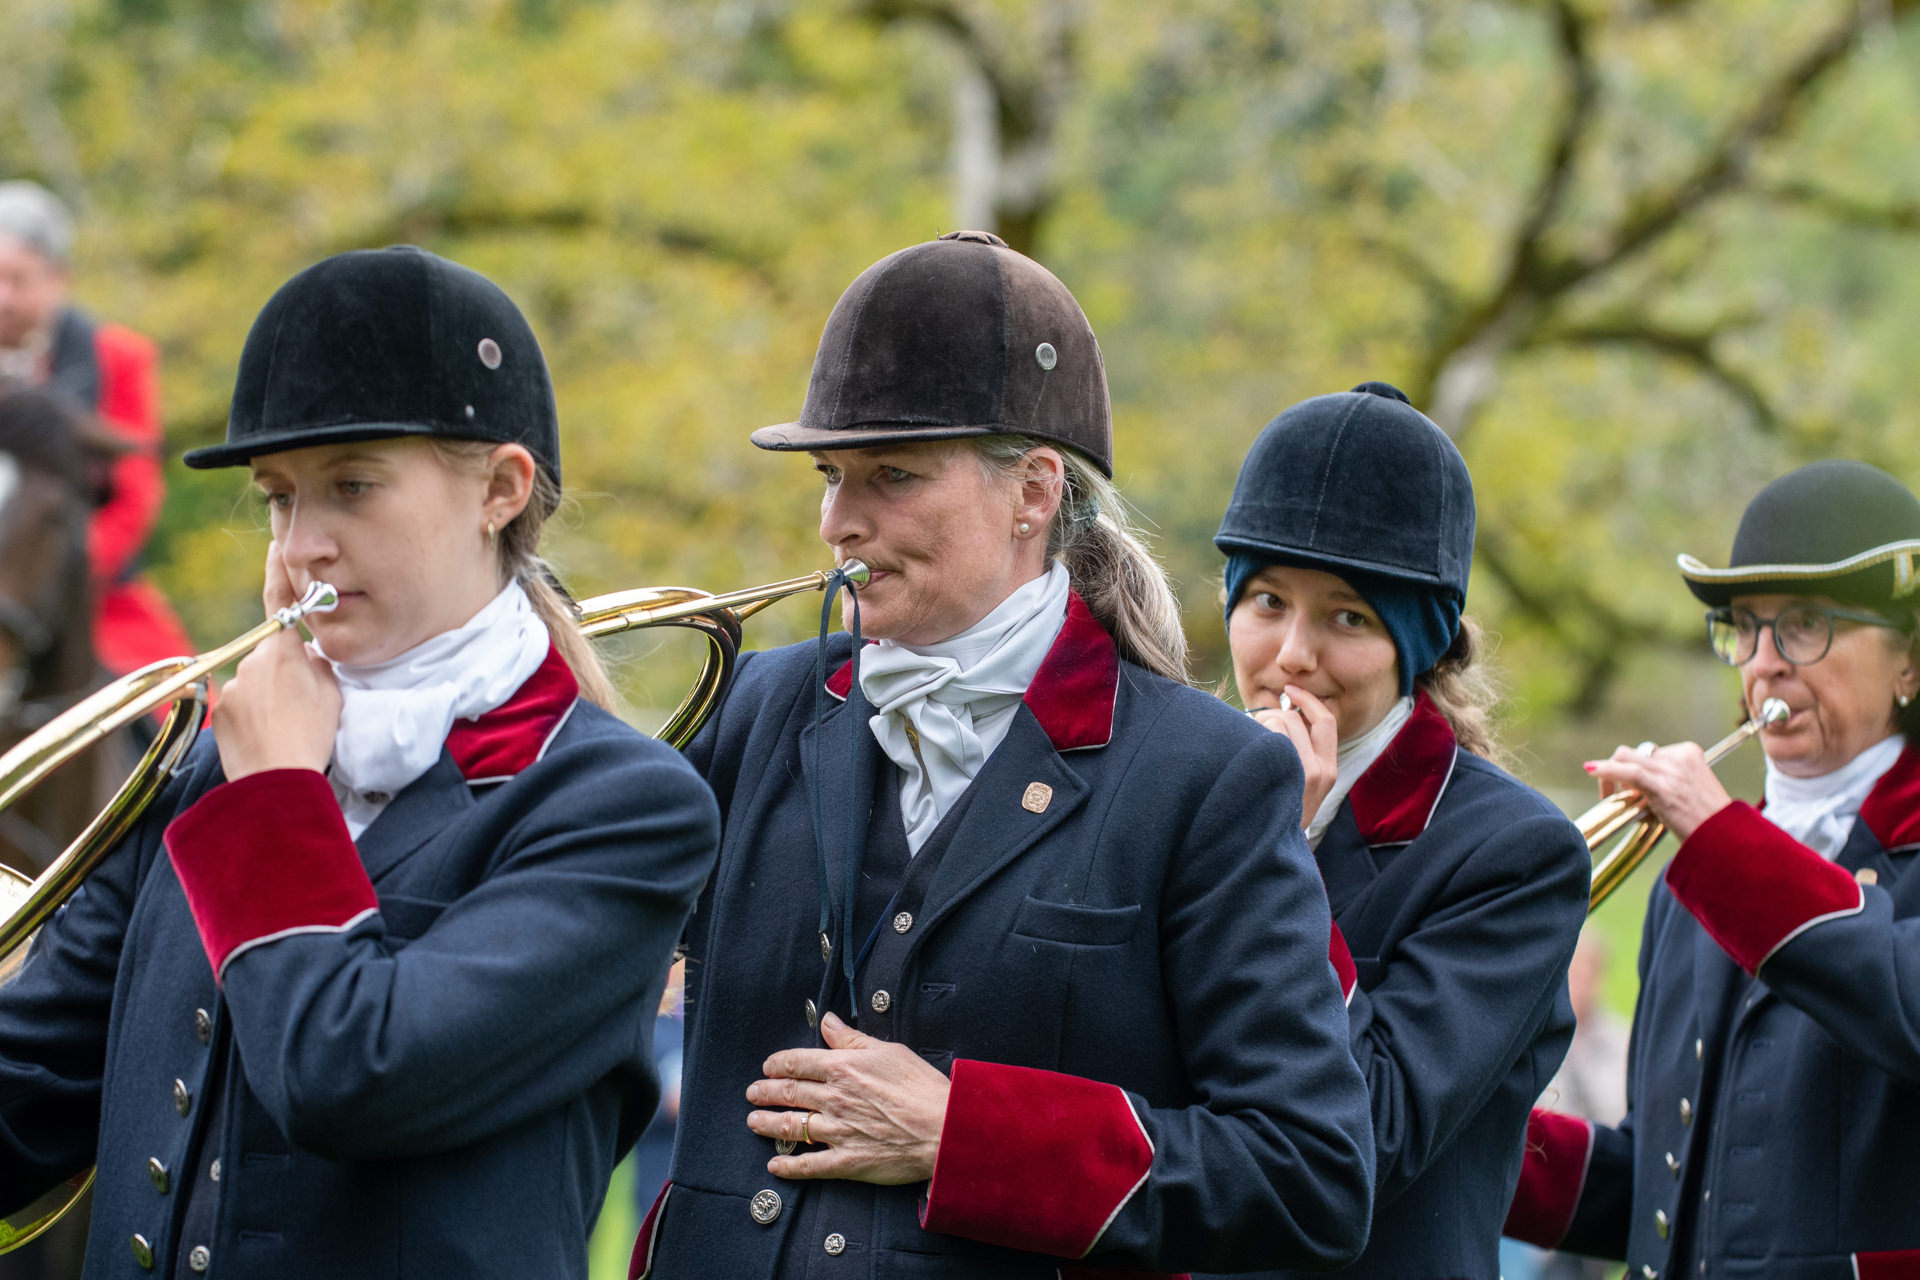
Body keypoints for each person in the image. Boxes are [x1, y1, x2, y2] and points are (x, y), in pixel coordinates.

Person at [635, 231, 1374, 1280]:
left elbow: (1312, 1173)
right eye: (831, 476)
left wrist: (963, 1135)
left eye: (892, 475)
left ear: (1033, 491)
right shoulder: (754, 709)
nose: (839, 523)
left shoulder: (1205, 777)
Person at [0, 246, 720, 1280]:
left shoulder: (623, 808)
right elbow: (29, 1092)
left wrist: (277, 795)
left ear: (501, 489)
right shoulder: (200, 777)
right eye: (279, 497)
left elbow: (350, 1075)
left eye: (353, 486)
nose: (303, 546)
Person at [1207, 382, 1589, 1280]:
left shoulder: (1517, 856)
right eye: (1266, 600)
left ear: (1416, 643)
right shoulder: (1181, 788)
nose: (1292, 654)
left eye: (1348, 616)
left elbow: (1367, 1131)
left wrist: (1276, 851)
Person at [1504, 459, 1920, 1279]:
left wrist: (1719, 838)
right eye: (1744, 628)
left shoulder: (1719, 857)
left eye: (1805, 624)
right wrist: (1460, 1129)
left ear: (1908, 657)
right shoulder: (1691, 886)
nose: (1764, 662)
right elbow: (1665, 1192)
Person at [0, 180, 192, 677]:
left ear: (57, 277)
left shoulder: (117, 359)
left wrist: (66, 573)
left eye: (18, 279)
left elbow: (134, 493)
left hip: (91, 591)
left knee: (187, 700)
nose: (3, 298)